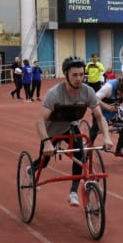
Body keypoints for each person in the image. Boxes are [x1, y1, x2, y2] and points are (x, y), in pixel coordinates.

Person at [32, 56, 113, 206]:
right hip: (52, 131)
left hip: (71, 126)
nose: (79, 79)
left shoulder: (87, 91)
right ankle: (31, 170)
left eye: (82, 75)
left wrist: (107, 137)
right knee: (44, 162)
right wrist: (47, 142)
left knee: (80, 154)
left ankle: (73, 192)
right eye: (74, 75)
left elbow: (99, 117)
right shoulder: (54, 93)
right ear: (66, 75)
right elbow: (40, 121)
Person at [90, 77, 123, 157]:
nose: (122, 95)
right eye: (121, 92)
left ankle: (119, 149)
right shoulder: (109, 87)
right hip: (101, 109)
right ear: (117, 87)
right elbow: (94, 99)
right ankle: (88, 146)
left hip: (115, 110)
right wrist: (107, 106)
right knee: (95, 129)